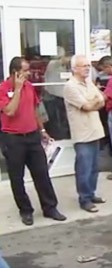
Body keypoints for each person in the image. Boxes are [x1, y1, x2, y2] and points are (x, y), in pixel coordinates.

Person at [0, 57, 66, 225]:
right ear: (15, 72)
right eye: (25, 70)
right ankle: (25, 210)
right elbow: (10, 111)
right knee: (17, 177)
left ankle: (50, 207)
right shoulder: (3, 88)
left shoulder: (30, 87)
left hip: (32, 136)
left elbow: (35, 109)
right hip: (13, 139)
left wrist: (42, 129)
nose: (29, 73)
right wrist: (17, 89)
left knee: (42, 173)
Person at [63, 55, 107, 213]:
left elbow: (102, 99)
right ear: (74, 68)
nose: (88, 68)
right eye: (84, 66)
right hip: (82, 134)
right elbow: (87, 106)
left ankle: (91, 193)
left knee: (94, 167)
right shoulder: (70, 86)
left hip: (95, 130)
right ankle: (84, 199)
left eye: (88, 65)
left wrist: (94, 102)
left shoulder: (88, 82)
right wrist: (93, 102)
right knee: (84, 168)